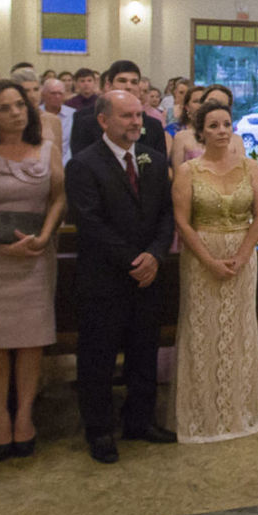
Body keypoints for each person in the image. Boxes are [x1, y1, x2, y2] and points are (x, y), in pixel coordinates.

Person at [66, 90, 177, 462]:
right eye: (127, 116)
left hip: (148, 275)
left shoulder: (155, 160)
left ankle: (139, 420)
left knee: (143, 351)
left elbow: (166, 214)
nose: (136, 122)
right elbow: (89, 222)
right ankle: (99, 430)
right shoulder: (84, 164)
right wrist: (135, 260)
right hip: (105, 279)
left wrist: (156, 254)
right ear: (103, 121)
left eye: (138, 115)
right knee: (98, 358)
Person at [0, 81, 65, 460]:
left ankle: (25, 416)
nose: (16, 112)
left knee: (30, 339)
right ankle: (0, 416)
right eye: (5, 108)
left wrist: (46, 235)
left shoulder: (46, 147)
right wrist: (0, 244)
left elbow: (58, 197)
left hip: (35, 254)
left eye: (20, 105)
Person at [171, 100, 258, 443]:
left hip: (242, 259)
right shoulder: (189, 171)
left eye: (226, 124)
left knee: (238, 331)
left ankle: (238, 410)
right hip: (201, 260)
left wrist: (243, 257)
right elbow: (182, 221)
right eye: (213, 125)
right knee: (204, 331)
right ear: (201, 132)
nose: (222, 131)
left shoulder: (250, 167)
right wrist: (209, 261)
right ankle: (203, 415)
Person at [70, 60, 166, 159]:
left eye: (134, 82)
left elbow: (159, 167)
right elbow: (80, 163)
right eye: (122, 81)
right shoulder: (85, 121)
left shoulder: (153, 126)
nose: (128, 86)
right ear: (109, 85)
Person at [39, 77, 75, 164]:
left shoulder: (73, 114)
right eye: (53, 93)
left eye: (60, 93)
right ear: (43, 95)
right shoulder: (36, 114)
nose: (57, 97)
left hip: (68, 163)